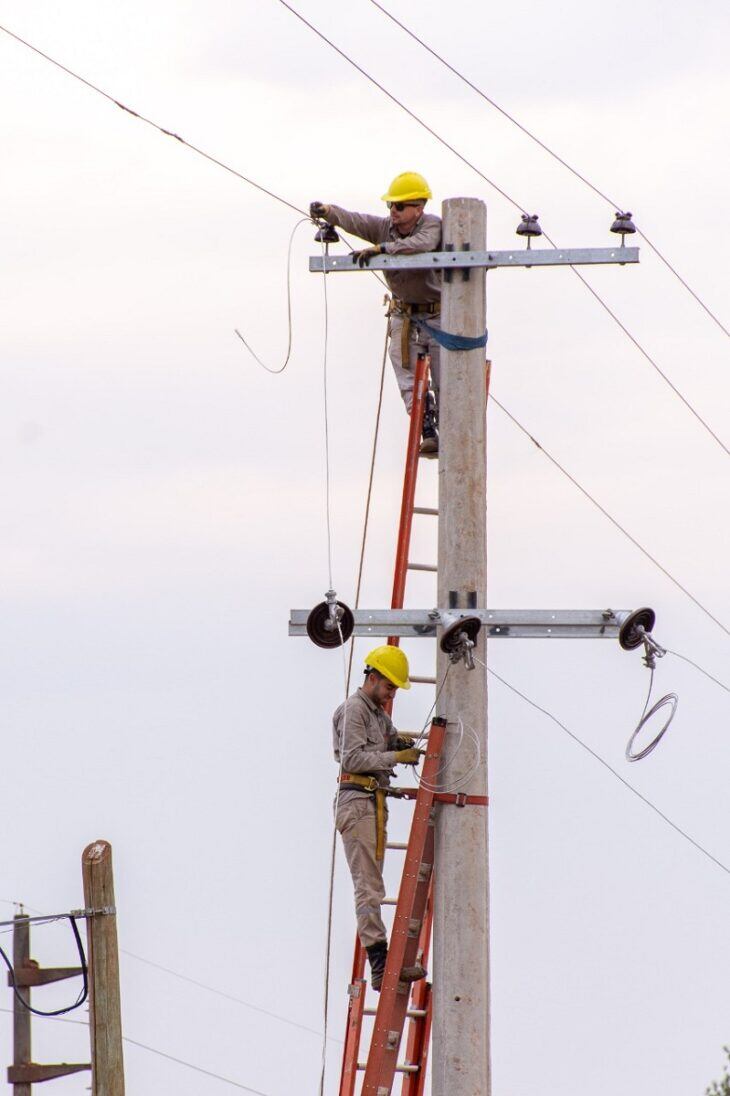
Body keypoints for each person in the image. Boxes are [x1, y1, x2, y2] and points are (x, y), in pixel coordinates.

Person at [310, 172, 442, 457]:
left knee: (448, 381)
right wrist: (329, 212)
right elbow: (356, 221)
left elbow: (422, 245)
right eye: (390, 206)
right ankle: (426, 427)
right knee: (408, 379)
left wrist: (383, 249)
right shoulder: (385, 228)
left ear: (418, 207)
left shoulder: (432, 226)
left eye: (399, 206)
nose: (393, 212)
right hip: (405, 316)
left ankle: (449, 427)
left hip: (438, 318)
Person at [332, 645, 423, 991]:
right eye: (389, 687)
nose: (391, 695)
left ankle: (386, 960)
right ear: (373, 678)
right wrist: (396, 755)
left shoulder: (378, 714)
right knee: (368, 888)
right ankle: (380, 964)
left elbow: (385, 741)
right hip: (356, 802)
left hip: (372, 801)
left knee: (375, 886)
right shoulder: (355, 710)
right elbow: (353, 759)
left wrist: (399, 744)